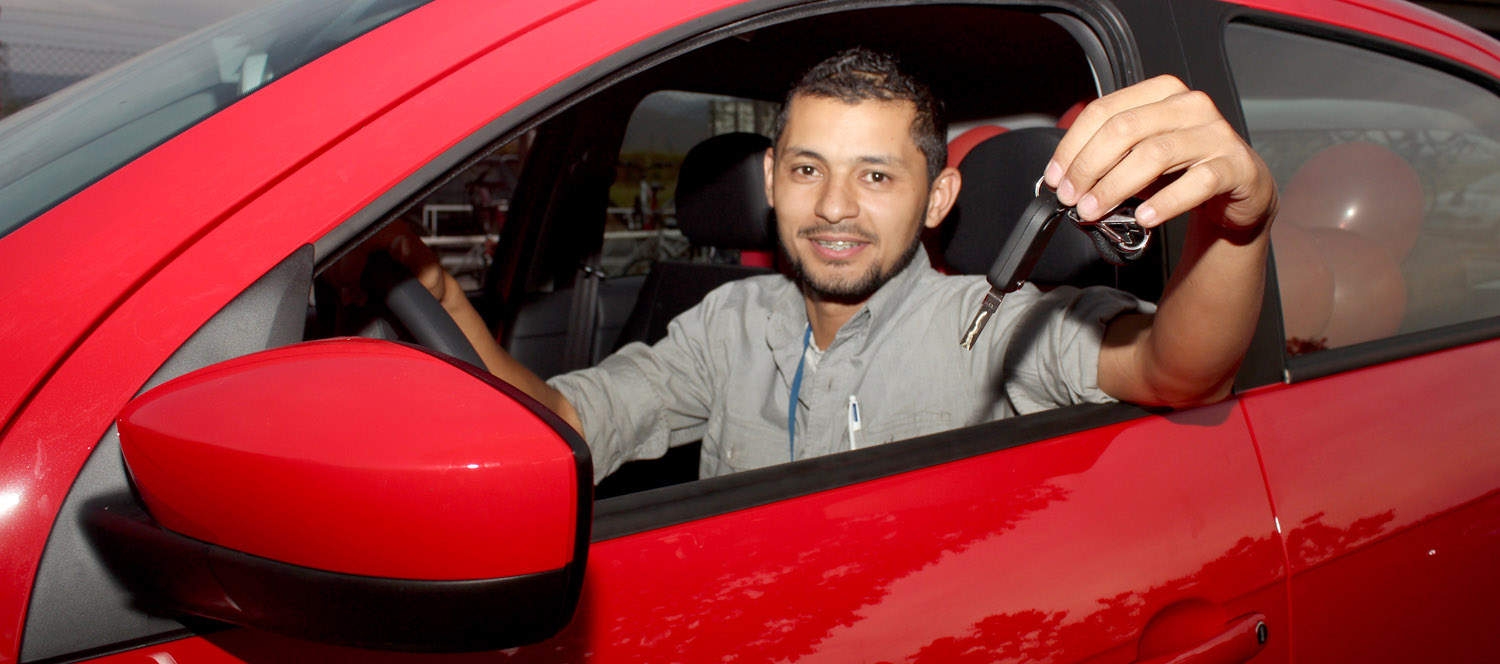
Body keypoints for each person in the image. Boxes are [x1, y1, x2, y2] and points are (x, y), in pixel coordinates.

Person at [386, 48, 1277, 483]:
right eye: (808, 170)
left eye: (877, 176)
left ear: (938, 198)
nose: (836, 207)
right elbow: (565, 424)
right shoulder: (726, 324)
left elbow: (1177, 371)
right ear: (772, 180)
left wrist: (1237, 223)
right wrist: (437, 294)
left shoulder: (991, 324)